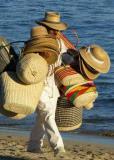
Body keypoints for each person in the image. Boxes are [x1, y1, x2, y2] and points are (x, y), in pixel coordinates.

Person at [27, 11, 72, 156]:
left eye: (58, 29)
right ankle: (58, 147)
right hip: (38, 84)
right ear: (46, 27)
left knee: (43, 117)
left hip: (53, 85)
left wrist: (74, 57)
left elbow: (65, 58)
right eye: (54, 29)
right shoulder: (37, 41)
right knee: (47, 115)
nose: (57, 32)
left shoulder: (60, 42)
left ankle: (33, 146)